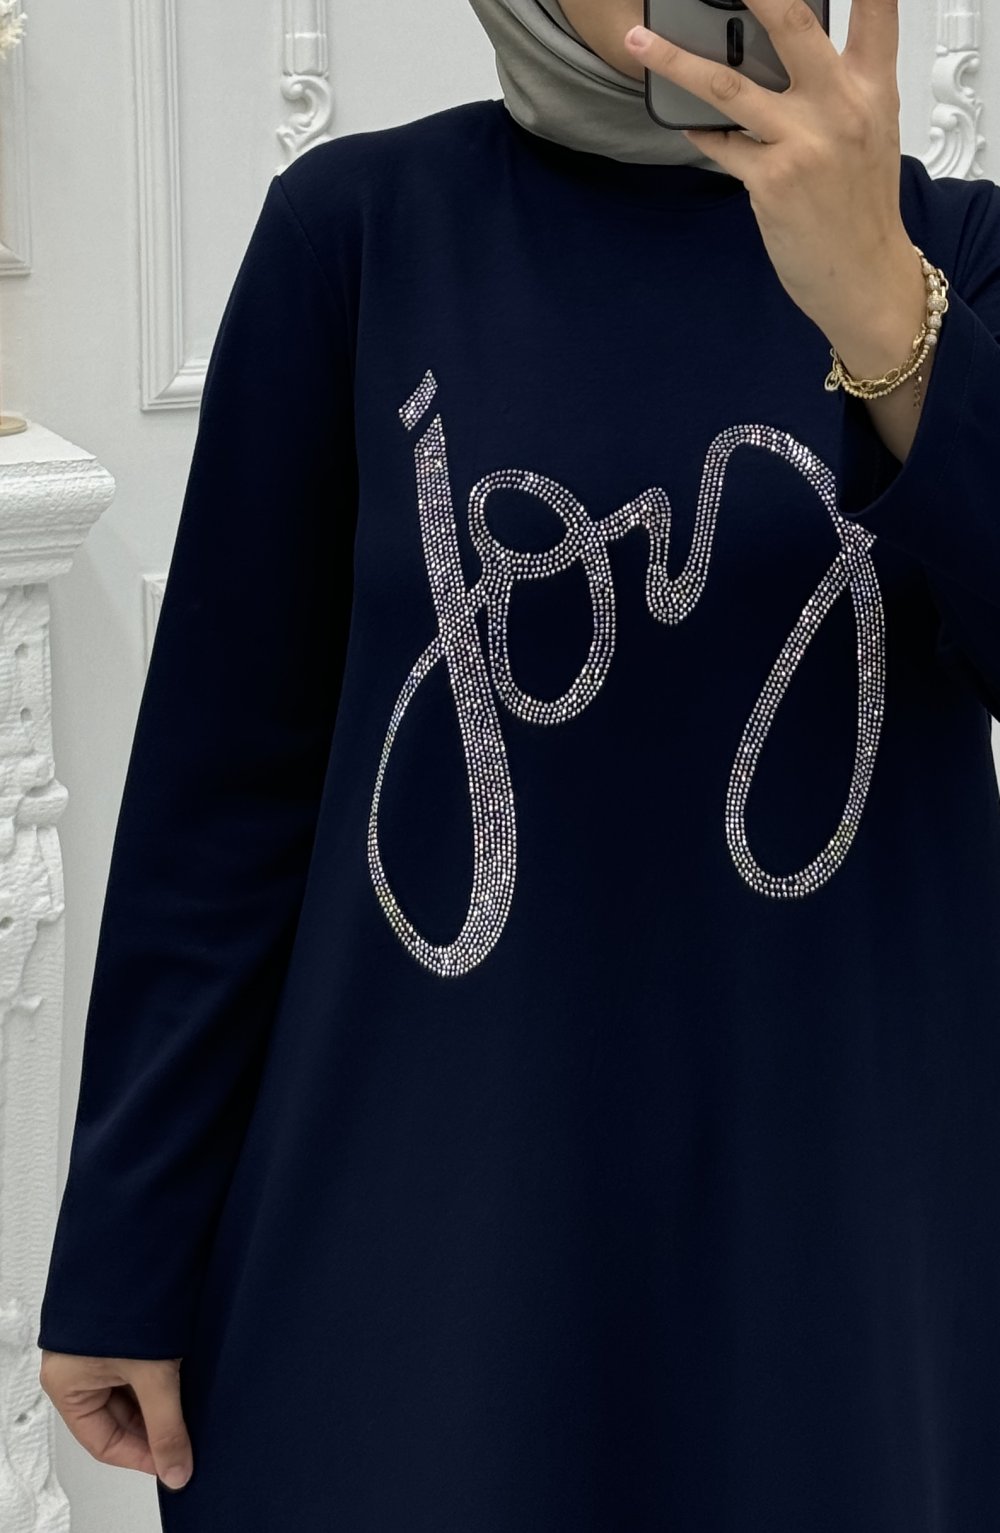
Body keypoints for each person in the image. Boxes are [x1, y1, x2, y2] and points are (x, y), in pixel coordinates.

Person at [36, 1, 1000, 1529]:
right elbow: (224, 789)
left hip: (830, 1255)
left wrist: (883, 311)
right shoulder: (356, 235)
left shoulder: (956, 251)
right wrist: (126, 1246)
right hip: (414, 1247)